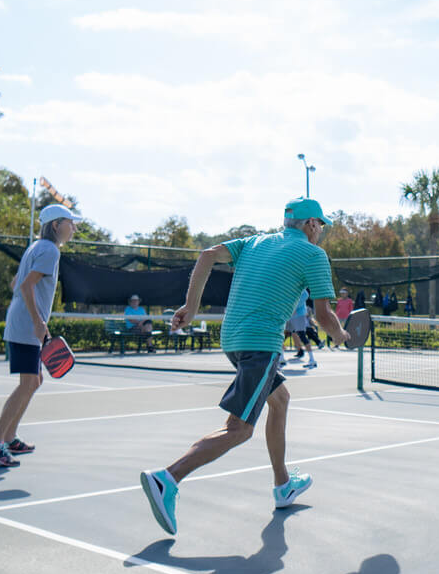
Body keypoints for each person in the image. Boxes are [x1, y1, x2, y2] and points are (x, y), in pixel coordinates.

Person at [138, 198, 347, 536]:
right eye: (320, 224)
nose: (321, 231)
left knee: (279, 401)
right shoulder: (313, 255)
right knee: (239, 428)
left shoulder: (255, 241)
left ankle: (283, 485)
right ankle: (168, 478)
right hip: (260, 344)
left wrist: (190, 308)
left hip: (232, 338)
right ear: (310, 224)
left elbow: (206, 256)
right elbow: (324, 316)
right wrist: (341, 335)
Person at [0, 204, 80, 467]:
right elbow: (25, 285)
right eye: (70, 223)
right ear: (56, 225)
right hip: (26, 327)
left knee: (34, 381)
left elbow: (16, 283)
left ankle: (10, 437)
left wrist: (32, 317)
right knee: (28, 383)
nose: (74, 228)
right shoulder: (50, 251)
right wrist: (36, 321)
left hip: (22, 323)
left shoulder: (35, 248)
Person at [286, 289, 317, 367]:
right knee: (283, 335)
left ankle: (312, 359)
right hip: (289, 315)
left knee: (302, 335)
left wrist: (293, 308)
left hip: (299, 315)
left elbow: (305, 295)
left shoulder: (302, 288)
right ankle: (281, 359)